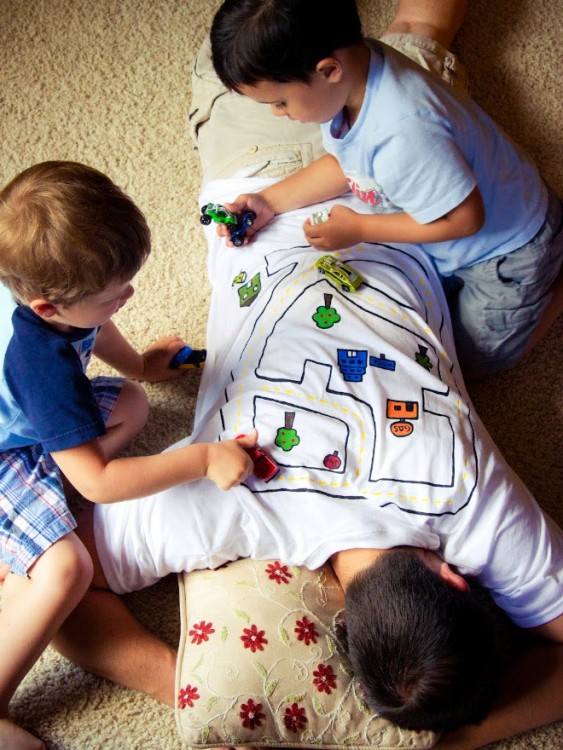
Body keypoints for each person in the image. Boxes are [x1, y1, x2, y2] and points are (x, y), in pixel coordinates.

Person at [40, 5, 563, 750]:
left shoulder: (470, 503)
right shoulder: (231, 509)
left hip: (337, 183)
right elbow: (51, 582)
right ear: (339, 621)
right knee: (284, 49)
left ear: (457, 581)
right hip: (301, 167)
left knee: (391, 43)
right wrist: (178, 681)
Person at [0, 160, 256, 750]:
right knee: (68, 568)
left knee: (134, 403)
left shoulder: (54, 304)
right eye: (114, 294)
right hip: (7, 454)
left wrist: (139, 364)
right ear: (46, 307)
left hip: (28, 421)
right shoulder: (41, 365)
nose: (129, 296)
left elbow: (91, 330)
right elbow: (100, 485)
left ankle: (38, 504)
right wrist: (202, 459)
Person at [207, 0, 563, 378]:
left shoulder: (403, 132)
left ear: (328, 70)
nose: (278, 113)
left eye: (280, 102)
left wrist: (359, 229)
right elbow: (350, 163)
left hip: (507, 249)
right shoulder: (358, 72)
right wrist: (268, 200)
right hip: (474, 213)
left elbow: (467, 219)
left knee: (474, 360)